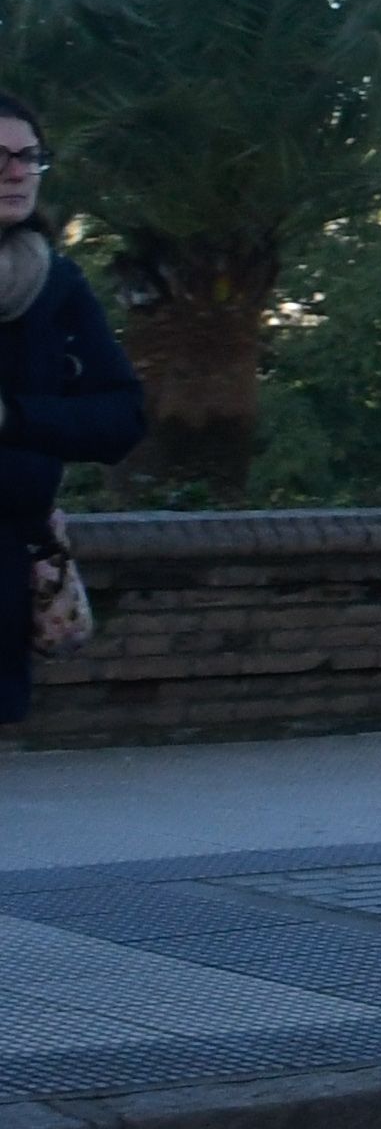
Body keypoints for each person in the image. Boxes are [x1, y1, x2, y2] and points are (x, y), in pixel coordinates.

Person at [0, 85, 148, 737]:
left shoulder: (52, 284)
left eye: (29, 157)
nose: (17, 173)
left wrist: (14, 417)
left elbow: (121, 418)